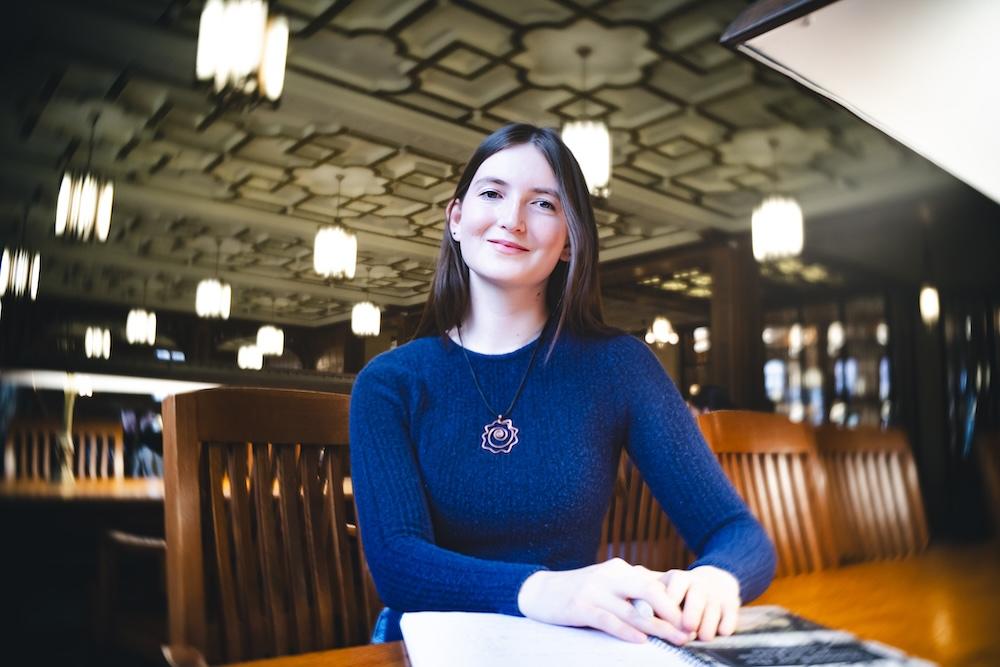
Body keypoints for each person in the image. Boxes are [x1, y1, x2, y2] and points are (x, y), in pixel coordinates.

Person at [349, 124, 776, 648]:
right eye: (492, 193)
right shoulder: (389, 383)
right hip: (423, 645)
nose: (512, 219)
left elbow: (740, 534)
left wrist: (716, 578)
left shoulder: (618, 367)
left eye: (544, 205)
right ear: (457, 219)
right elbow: (397, 564)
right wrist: (543, 591)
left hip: (568, 646)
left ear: (570, 241)